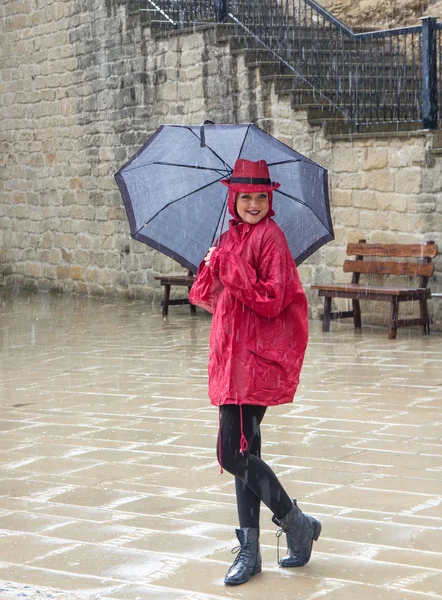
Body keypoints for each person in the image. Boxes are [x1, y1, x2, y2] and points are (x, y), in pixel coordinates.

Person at [189, 158, 321, 586]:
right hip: (229, 359)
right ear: (233, 198)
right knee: (246, 455)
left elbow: (272, 298)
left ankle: (295, 522)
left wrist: (235, 270)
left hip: (254, 363)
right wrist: (212, 265)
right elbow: (205, 297)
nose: (252, 203)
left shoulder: (271, 239)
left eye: (260, 196)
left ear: (270, 199)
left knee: (232, 454)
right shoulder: (228, 239)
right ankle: (253, 552)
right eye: (244, 196)